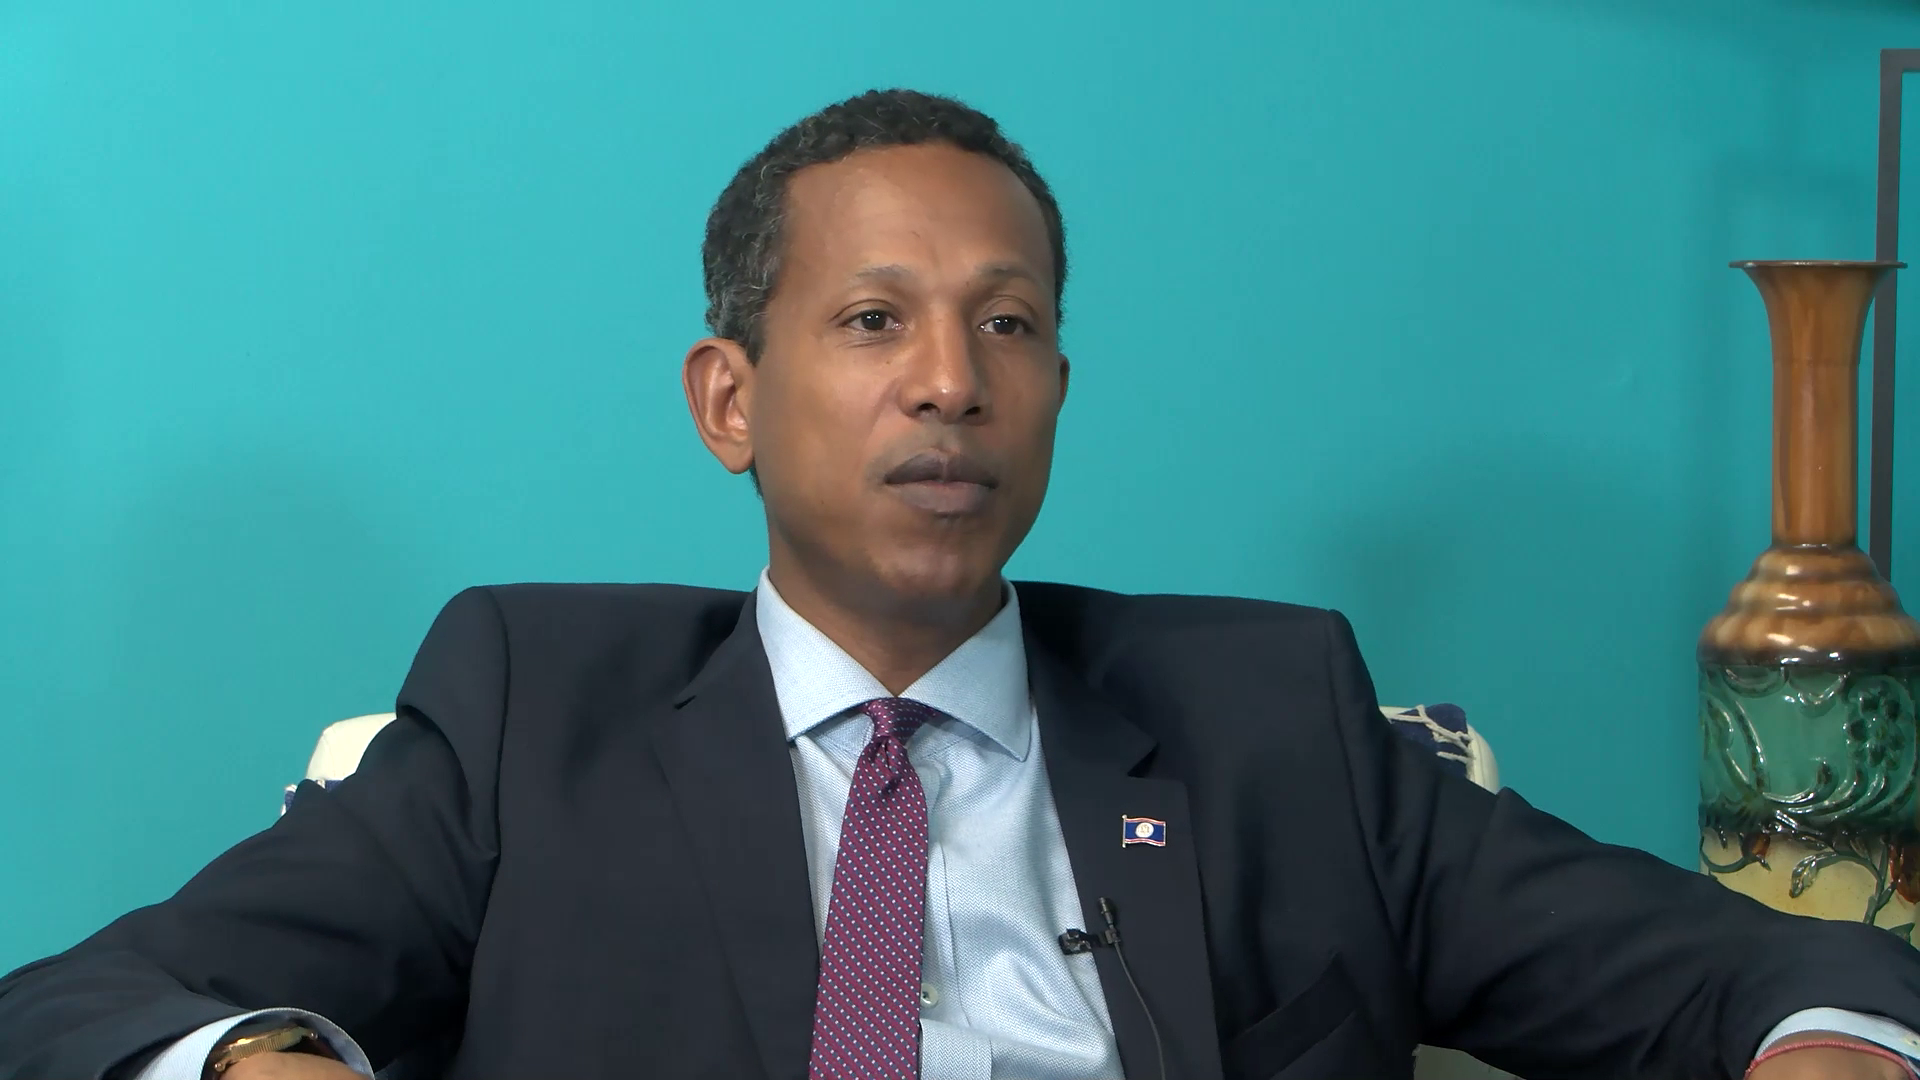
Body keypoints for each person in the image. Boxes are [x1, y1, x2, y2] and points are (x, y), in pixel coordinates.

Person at [4, 88, 1920, 1080]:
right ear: (729, 400)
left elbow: (1755, 969)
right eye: (874, 321)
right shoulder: (532, 713)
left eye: (1009, 324)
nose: (951, 382)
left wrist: (1825, 1042)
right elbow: (92, 998)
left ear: (1059, 387)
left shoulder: (1273, 722)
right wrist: (260, 1060)